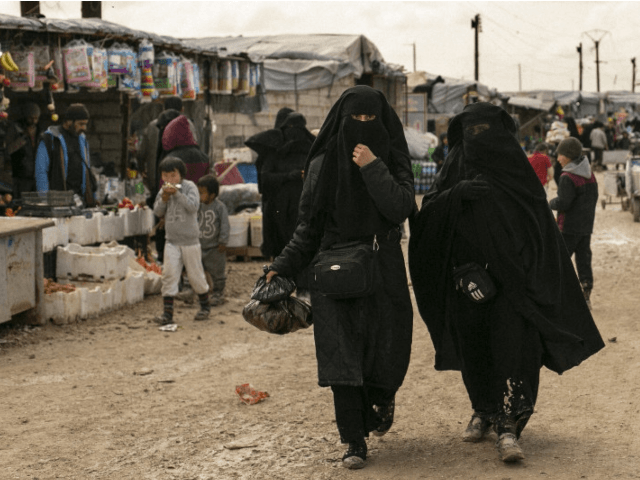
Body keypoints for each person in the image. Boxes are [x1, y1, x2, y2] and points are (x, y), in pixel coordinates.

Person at [408, 102, 604, 463]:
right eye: (472, 131)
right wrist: (456, 195)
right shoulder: (455, 165)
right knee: (474, 348)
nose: (479, 139)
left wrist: (531, 274)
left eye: (486, 130)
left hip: (514, 284)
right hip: (466, 281)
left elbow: (539, 224)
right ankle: (482, 410)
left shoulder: (516, 169)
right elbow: (429, 212)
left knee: (516, 348)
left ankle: (510, 425)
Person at [264, 86, 415, 469]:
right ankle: (354, 440)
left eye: (371, 119)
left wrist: (371, 167)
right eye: (356, 119)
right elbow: (308, 228)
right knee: (342, 358)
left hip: (383, 269)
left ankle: (381, 399)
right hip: (333, 274)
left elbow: (400, 207)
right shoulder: (321, 166)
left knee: (387, 348)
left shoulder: (393, 158)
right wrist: (281, 265)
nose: (363, 126)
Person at [153, 157, 211, 324]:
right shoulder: (163, 190)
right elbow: (158, 211)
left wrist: (177, 194)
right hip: (171, 240)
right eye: (165, 176)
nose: (169, 180)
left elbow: (193, 206)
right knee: (169, 275)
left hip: (190, 241)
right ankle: (167, 314)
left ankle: (205, 306)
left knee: (195, 275)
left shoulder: (189, 187)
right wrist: (164, 197)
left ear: (181, 174)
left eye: (173, 175)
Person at [549, 137, 599, 308]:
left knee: (560, 260)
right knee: (584, 260)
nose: (558, 159)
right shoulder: (589, 174)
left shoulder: (567, 177)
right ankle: (586, 293)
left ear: (568, 156)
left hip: (569, 228)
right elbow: (594, 198)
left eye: (560, 155)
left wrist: (550, 203)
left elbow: (564, 203)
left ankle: (556, 295)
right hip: (586, 227)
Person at [35, 103, 96, 206]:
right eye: (81, 124)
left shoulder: (82, 139)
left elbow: (86, 170)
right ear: (69, 122)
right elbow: (41, 171)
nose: (84, 128)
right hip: (57, 201)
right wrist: (45, 201)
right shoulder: (49, 139)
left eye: (85, 124)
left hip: (79, 201)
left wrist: (92, 197)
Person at [197, 174, 230, 307]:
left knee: (217, 272)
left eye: (202, 193)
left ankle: (218, 293)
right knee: (196, 270)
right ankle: (194, 291)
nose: (199, 196)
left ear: (212, 194)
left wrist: (223, 241)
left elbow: (225, 225)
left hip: (215, 247)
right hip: (199, 246)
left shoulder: (219, 207)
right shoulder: (198, 206)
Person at [6, 102, 41, 199]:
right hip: (21, 175)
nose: (33, 121)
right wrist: (24, 136)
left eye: (36, 118)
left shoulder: (39, 130)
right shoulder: (15, 128)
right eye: (31, 118)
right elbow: (9, 150)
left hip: (36, 175)